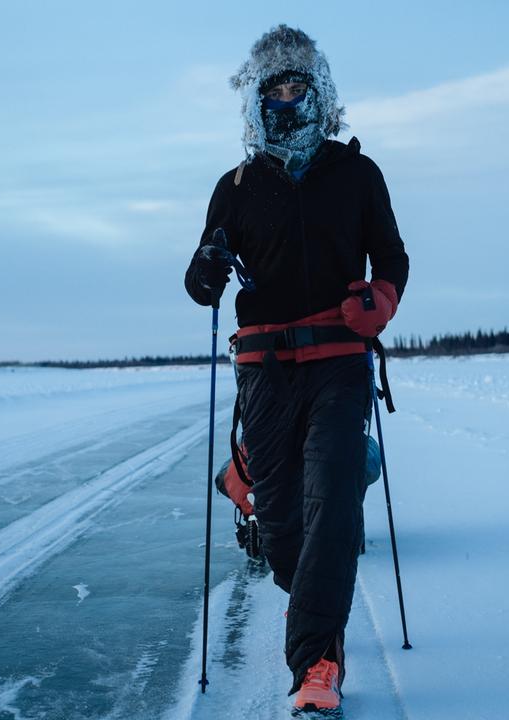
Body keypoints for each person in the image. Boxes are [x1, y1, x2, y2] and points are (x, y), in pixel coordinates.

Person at [184, 24, 409, 714]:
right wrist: (211, 265)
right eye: (274, 88)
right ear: (257, 101)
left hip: (340, 359)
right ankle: (254, 491)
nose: (286, 98)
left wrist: (379, 300)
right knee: (281, 530)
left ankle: (317, 660)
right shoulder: (236, 185)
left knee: (333, 501)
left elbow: (392, 259)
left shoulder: (357, 173)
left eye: (298, 85)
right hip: (264, 368)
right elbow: (199, 285)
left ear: (320, 93)